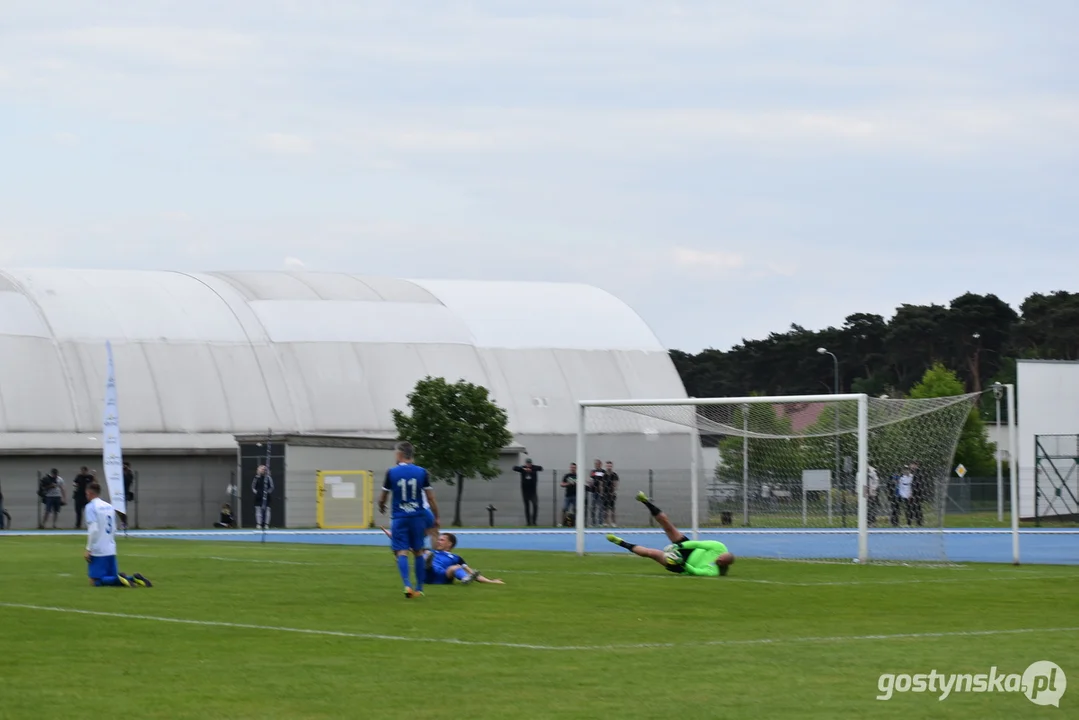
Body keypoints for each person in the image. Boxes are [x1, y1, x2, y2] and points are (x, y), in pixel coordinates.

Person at [606, 492, 735, 577]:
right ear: (723, 553)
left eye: (720, 561)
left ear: (724, 565)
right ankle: (645, 501)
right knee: (667, 525)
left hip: (683, 564)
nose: (718, 559)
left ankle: (620, 542)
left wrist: (680, 562)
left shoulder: (715, 572)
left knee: (652, 553)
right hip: (690, 549)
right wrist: (679, 546)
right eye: (719, 557)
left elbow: (695, 572)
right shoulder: (719, 547)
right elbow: (698, 543)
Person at [378, 441, 440, 598]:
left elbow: (384, 495)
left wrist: (381, 505)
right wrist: (436, 516)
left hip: (400, 516)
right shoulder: (422, 472)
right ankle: (419, 588)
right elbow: (430, 498)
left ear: (399, 454)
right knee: (418, 551)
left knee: (402, 551)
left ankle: (407, 585)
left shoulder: (391, 472)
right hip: (417, 516)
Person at [83, 481, 151, 587]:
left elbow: (94, 529)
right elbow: (114, 528)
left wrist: (88, 549)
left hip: (98, 550)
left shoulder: (90, 507)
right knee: (111, 576)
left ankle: (122, 579)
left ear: (89, 493)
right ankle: (133, 578)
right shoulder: (109, 506)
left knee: (94, 581)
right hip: (111, 548)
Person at [424, 533, 504, 585]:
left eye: (442, 540)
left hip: (442, 577)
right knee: (426, 553)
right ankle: (428, 565)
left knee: (455, 567)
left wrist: (490, 581)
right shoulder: (432, 551)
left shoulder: (456, 557)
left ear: (449, 544)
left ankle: (465, 578)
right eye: (438, 540)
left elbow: (471, 572)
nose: (438, 542)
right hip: (428, 575)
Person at [511, 458, 543, 526]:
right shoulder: (523, 468)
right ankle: (528, 522)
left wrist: (531, 470)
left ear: (531, 464)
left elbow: (540, 468)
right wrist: (523, 469)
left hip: (533, 491)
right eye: (527, 464)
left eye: (529, 464)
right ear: (526, 464)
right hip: (525, 491)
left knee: (535, 505)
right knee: (527, 507)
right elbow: (514, 468)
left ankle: (534, 522)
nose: (528, 465)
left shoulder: (534, 468)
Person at [252, 464, 274, 529]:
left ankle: (266, 524)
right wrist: (257, 493)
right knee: (258, 510)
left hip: (266, 496)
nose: (263, 470)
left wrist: (267, 492)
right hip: (258, 497)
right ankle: (259, 524)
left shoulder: (268, 478)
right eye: (262, 469)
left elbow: (272, 487)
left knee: (267, 510)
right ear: (259, 470)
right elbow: (253, 487)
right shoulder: (256, 478)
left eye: (264, 469)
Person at [560, 462, 578, 526]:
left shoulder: (578, 476)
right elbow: (561, 484)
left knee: (576, 510)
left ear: (576, 468)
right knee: (564, 509)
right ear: (570, 468)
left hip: (576, 496)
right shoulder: (567, 476)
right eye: (572, 467)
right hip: (568, 495)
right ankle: (562, 523)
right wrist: (568, 483)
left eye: (574, 467)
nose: (573, 469)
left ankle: (576, 523)